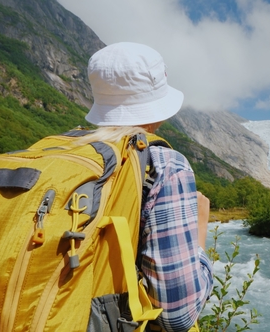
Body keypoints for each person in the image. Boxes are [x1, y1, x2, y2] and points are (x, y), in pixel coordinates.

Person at [83, 42, 213, 332]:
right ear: (159, 109)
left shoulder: (67, 150)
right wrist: (199, 229)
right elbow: (178, 316)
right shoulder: (165, 164)